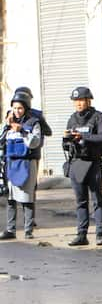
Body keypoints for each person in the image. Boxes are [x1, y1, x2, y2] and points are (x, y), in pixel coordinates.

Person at [64, 86, 102, 247]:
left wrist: (84, 137)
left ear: (88, 101)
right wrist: (67, 140)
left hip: (93, 163)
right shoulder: (72, 119)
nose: (78, 104)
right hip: (77, 163)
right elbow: (66, 142)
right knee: (80, 201)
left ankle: (99, 234)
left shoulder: (99, 118)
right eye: (75, 101)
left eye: (81, 100)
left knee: (97, 199)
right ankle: (81, 234)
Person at [1, 91, 44, 239]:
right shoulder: (9, 123)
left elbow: (35, 142)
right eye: (14, 108)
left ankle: (28, 230)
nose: (17, 111)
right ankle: (10, 229)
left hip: (27, 164)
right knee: (11, 198)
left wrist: (23, 131)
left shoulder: (33, 123)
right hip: (11, 163)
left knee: (27, 197)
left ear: (25, 108)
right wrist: (6, 126)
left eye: (20, 108)